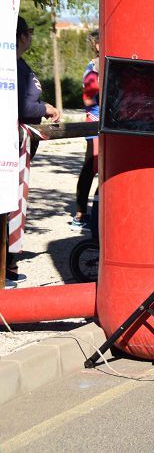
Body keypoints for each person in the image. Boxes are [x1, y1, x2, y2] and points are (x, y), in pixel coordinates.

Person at [8, 17, 60, 288]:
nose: (31, 36)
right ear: (19, 36)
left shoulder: (17, 65)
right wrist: (45, 109)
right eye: (29, 32)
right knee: (10, 203)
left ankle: (8, 263)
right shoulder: (12, 67)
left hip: (17, 147)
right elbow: (22, 108)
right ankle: (7, 266)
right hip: (10, 149)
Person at [71, 29, 100, 231]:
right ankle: (80, 214)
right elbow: (88, 100)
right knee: (91, 168)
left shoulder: (104, 64)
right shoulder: (92, 69)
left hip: (104, 123)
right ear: (98, 45)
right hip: (95, 122)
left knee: (100, 169)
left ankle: (97, 213)